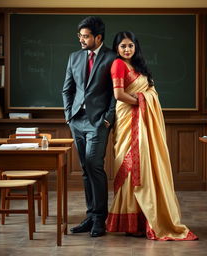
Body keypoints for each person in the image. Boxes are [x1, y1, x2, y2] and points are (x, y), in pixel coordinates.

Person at [106, 31, 198, 241]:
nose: (127, 49)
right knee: (129, 167)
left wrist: (146, 99)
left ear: (135, 47)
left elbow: (151, 91)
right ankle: (129, 220)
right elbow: (118, 94)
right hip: (128, 119)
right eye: (123, 46)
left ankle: (144, 218)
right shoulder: (118, 64)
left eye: (130, 45)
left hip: (142, 119)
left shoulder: (140, 67)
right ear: (117, 49)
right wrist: (142, 101)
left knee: (145, 164)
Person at [62, 16, 116, 237]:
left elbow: (116, 92)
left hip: (98, 122)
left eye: (85, 36)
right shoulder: (74, 57)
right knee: (85, 169)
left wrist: (108, 118)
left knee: (94, 165)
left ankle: (99, 220)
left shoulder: (112, 57)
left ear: (98, 37)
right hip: (77, 121)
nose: (81, 40)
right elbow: (67, 89)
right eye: (80, 36)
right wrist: (68, 116)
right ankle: (91, 215)